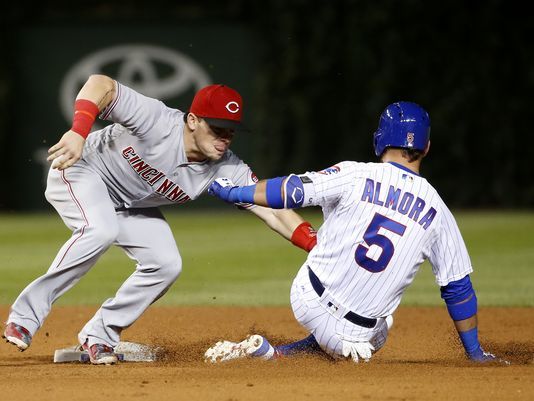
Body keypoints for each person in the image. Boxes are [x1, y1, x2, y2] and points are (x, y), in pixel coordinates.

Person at [2, 75, 317, 365]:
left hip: (126, 204)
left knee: (166, 263)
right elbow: (100, 84)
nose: (224, 138)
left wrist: (315, 245)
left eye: (230, 131)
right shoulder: (158, 121)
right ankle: (24, 316)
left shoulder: (226, 168)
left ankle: (98, 337)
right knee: (100, 230)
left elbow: (274, 209)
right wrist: (78, 131)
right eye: (216, 128)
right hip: (83, 170)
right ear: (192, 120)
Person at [205, 101, 507, 364]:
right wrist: (475, 354)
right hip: (359, 337)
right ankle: (316, 346)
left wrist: (238, 193)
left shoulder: (355, 173)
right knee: (384, 322)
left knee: (338, 215)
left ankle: (276, 355)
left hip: (307, 298)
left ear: (379, 139)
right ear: (426, 147)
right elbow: (458, 288)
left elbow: (293, 190)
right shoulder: (438, 210)